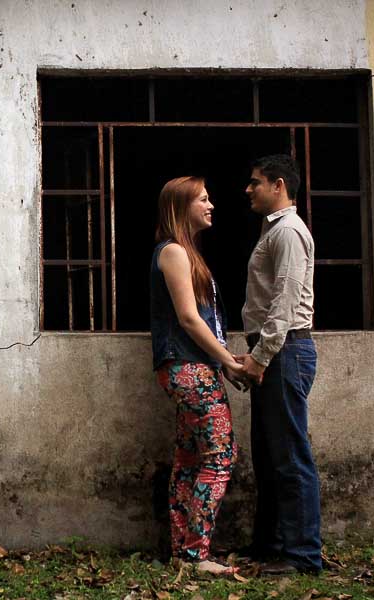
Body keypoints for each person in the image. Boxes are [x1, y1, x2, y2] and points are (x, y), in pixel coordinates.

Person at [151, 176, 247, 576]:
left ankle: (182, 551)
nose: (211, 205)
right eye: (203, 199)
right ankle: (195, 554)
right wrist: (226, 359)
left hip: (190, 366)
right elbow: (189, 318)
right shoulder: (173, 252)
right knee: (221, 455)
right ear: (181, 206)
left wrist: (222, 356)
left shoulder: (186, 253)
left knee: (191, 458)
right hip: (189, 368)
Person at [238, 154, 321, 575]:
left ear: (279, 185)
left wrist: (260, 357)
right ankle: (269, 546)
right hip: (275, 351)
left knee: (289, 456)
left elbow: (284, 301)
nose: (249, 189)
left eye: (256, 182)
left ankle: (303, 555)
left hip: (285, 350)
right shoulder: (274, 231)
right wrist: (255, 354)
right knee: (270, 456)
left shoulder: (287, 232)